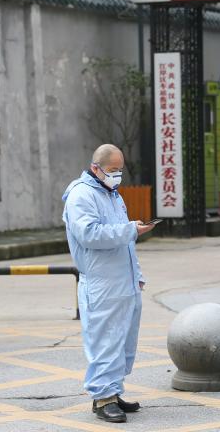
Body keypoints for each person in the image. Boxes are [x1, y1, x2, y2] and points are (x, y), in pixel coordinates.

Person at [62, 144, 155, 423]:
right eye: (112, 170)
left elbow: (124, 243)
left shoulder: (111, 194)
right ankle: (102, 398)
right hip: (101, 282)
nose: (117, 176)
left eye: (119, 170)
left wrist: (136, 274)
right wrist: (130, 229)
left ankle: (114, 391)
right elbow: (90, 234)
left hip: (122, 279)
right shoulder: (81, 195)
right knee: (104, 341)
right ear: (96, 168)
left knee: (123, 341)